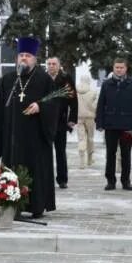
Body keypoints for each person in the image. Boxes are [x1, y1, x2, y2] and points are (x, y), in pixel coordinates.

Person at [0, 37, 58, 218]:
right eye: (21, 55)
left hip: (35, 138)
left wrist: (41, 106)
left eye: (27, 55)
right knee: (12, 169)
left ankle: (36, 206)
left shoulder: (44, 79)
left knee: (35, 170)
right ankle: (12, 205)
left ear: (34, 59)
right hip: (13, 138)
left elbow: (55, 103)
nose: (23, 58)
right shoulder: (8, 80)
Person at [95, 58, 132, 191]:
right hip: (110, 125)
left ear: (126, 68)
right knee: (110, 153)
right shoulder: (106, 84)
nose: (119, 69)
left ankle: (126, 181)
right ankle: (110, 181)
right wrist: (99, 122)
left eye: (121, 67)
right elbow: (100, 105)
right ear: (113, 68)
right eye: (117, 67)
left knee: (126, 154)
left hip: (127, 126)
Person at [46, 57, 78, 188]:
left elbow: (73, 99)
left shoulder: (66, 78)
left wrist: (72, 119)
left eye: (54, 64)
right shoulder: (42, 78)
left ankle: (62, 179)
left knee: (60, 151)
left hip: (60, 120)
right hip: (45, 121)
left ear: (59, 66)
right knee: (45, 152)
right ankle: (46, 179)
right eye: (49, 64)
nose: (51, 66)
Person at [75, 73, 98, 169]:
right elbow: (96, 106)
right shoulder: (93, 93)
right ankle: (89, 158)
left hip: (79, 117)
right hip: (90, 118)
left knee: (81, 139)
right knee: (90, 138)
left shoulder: (76, 92)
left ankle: (81, 161)